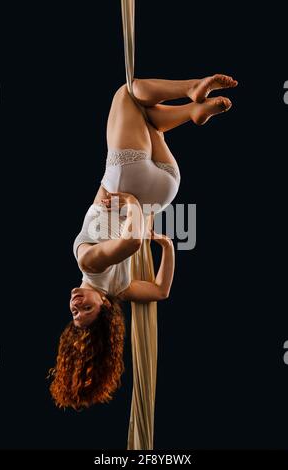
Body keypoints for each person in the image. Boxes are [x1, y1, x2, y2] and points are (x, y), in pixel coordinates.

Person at [49, 74, 238, 409]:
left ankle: (192, 112)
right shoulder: (89, 263)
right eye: (86, 309)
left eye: (73, 312)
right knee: (128, 92)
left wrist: (167, 245)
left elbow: (161, 291)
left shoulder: (121, 288)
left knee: (147, 114)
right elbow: (132, 243)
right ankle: (191, 90)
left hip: (165, 187)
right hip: (132, 177)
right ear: (104, 306)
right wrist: (133, 207)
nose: (76, 304)